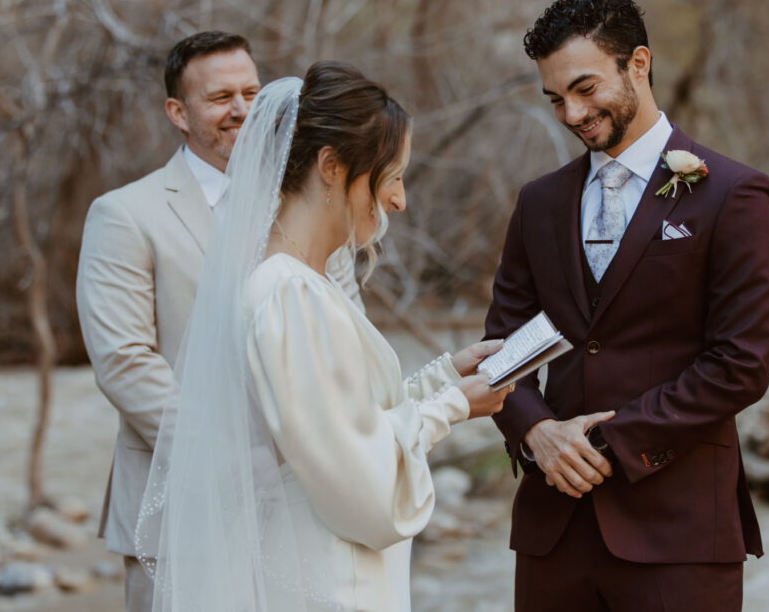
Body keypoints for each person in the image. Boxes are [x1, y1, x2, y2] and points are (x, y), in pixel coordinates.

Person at [135, 63, 512, 612]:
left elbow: (348, 419)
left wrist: (445, 375)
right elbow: (359, 481)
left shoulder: (305, 283)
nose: (400, 199)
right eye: (392, 174)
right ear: (332, 167)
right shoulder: (286, 295)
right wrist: (452, 407)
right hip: (332, 578)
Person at [484, 0, 769, 611]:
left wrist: (604, 445)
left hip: (676, 527)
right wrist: (536, 432)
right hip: (553, 527)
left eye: (585, 89)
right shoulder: (538, 203)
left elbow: (741, 365)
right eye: (555, 99)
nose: (570, 113)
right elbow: (503, 348)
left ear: (638, 64)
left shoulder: (734, 193)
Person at [75, 31, 361, 612]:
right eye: (220, 97)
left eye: (252, 91)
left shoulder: (311, 208)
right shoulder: (126, 215)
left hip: (306, 499)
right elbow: (125, 363)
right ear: (178, 113)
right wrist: (236, 459)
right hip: (180, 502)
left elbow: (347, 334)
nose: (242, 110)